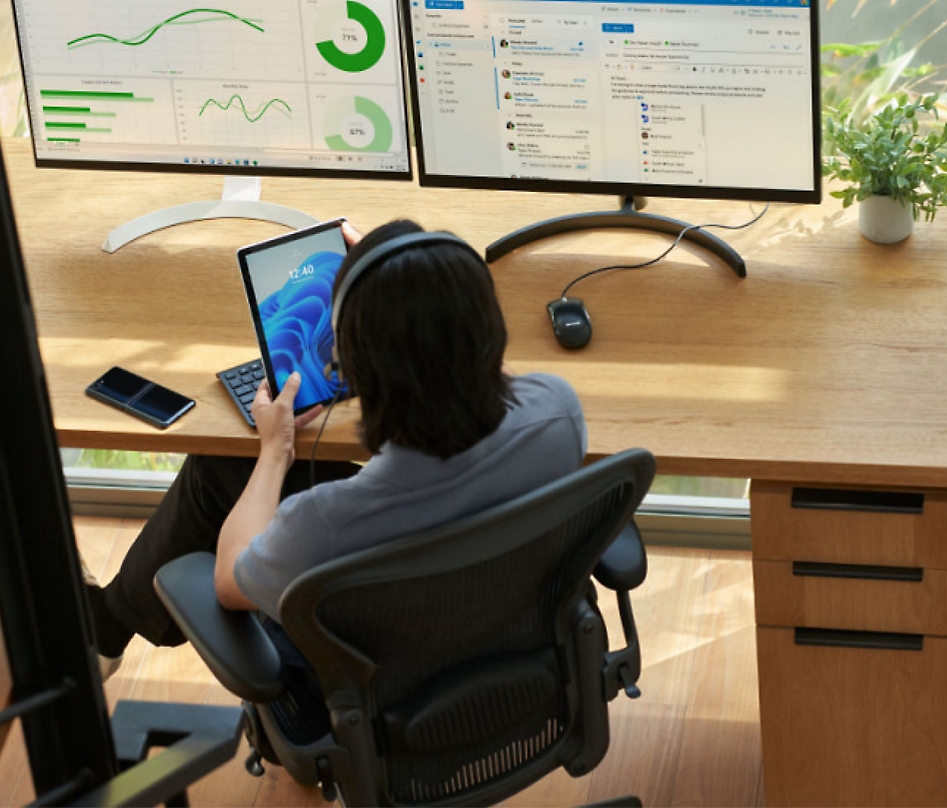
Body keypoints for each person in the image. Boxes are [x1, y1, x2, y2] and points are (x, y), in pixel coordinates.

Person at [82, 218, 587, 683]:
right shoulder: (559, 414)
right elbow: (483, 373)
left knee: (220, 467)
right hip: (503, 648)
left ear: (349, 372)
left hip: (382, 683)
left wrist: (276, 449)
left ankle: (105, 628)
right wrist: (408, 284)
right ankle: (107, 622)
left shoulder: (323, 524)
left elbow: (229, 579)